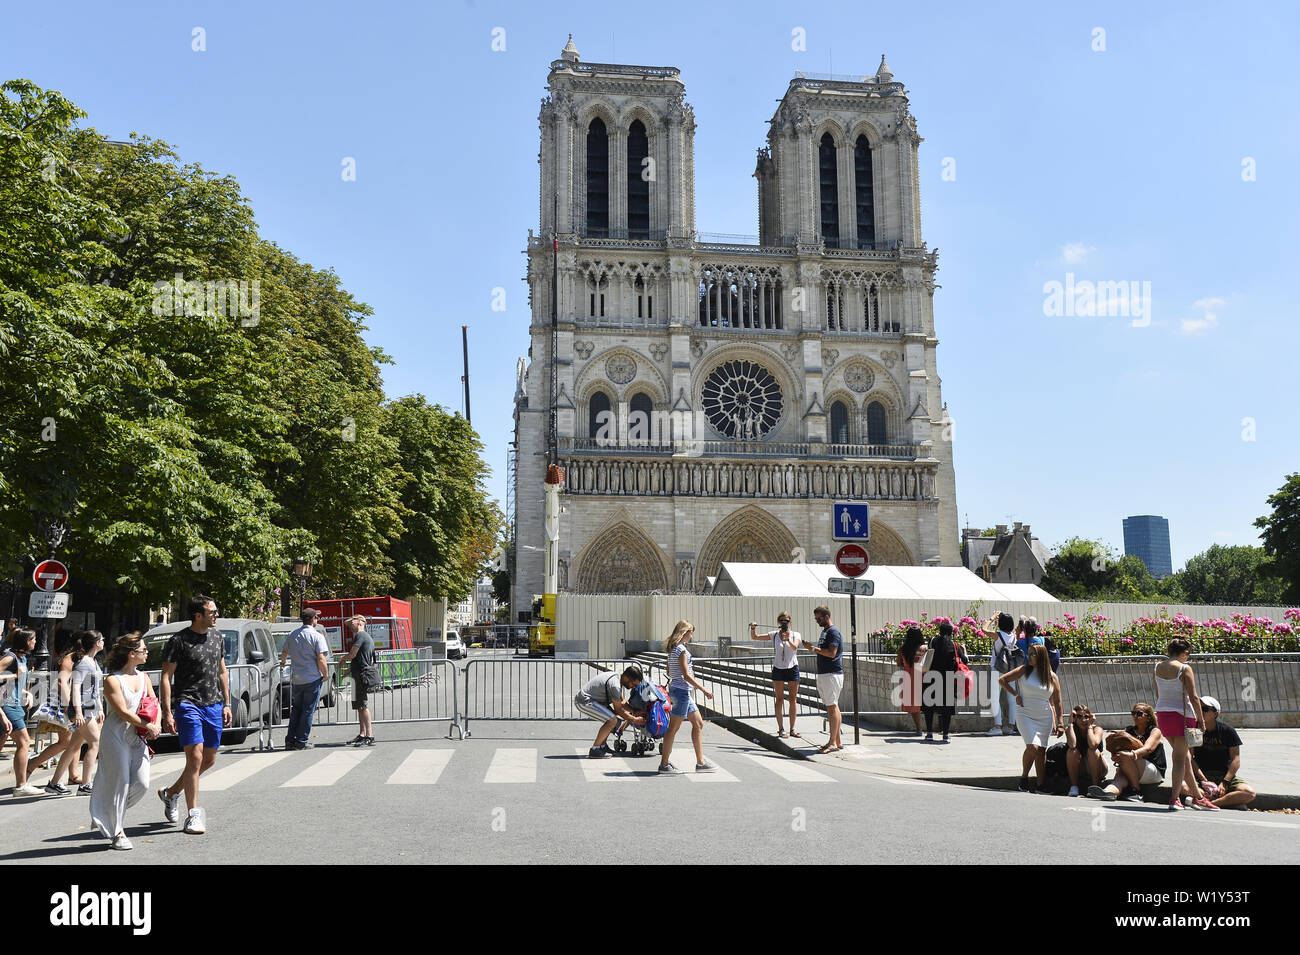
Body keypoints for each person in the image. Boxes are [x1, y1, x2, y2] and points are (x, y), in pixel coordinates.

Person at [158, 595, 232, 835]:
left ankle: (171, 793)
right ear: (198, 615)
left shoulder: (218, 637)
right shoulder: (178, 640)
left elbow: (222, 672)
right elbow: (166, 677)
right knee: (195, 758)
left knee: (209, 759)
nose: (217, 615)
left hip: (213, 704)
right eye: (213, 612)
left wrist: (227, 703)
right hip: (188, 704)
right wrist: (167, 711)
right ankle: (193, 815)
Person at [90, 633, 161, 850]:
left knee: (141, 783)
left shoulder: (144, 677)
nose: (146, 652)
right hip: (116, 735)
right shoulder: (112, 680)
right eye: (143, 649)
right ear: (132, 654)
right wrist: (147, 725)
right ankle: (118, 832)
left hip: (137, 736)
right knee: (121, 781)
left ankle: (106, 809)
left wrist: (155, 723)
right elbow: (121, 711)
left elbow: (153, 701)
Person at [1154, 638, 1218, 811]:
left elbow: (1158, 692)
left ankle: (1198, 797)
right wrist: (1201, 720)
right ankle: (1174, 799)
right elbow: (1194, 697)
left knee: (1186, 758)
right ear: (1184, 652)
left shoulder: (1158, 667)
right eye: (1187, 654)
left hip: (1163, 714)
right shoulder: (1184, 668)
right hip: (1183, 716)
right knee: (1180, 759)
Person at [999, 640, 1063, 791]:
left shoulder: (1052, 676)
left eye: (1033, 654)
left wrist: (1060, 723)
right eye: (1029, 653)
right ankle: (1024, 778)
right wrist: (1016, 694)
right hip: (1025, 713)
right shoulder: (1024, 670)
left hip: (1044, 716)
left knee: (1041, 750)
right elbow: (1002, 680)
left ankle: (1041, 785)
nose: (1030, 656)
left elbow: (1058, 701)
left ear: (1041, 656)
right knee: (1032, 747)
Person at [48, 630, 105, 796]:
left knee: (73, 746)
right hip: (82, 709)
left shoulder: (92, 661)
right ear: (96, 643)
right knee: (95, 742)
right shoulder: (84, 663)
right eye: (102, 640)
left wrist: (99, 708)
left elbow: (94, 689)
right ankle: (86, 784)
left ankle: (54, 783)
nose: (103, 642)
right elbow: (76, 687)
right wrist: (78, 712)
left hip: (89, 708)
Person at [658, 620, 716, 774]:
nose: (692, 635)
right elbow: (686, 675)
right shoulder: (681, 650)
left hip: (680, 691)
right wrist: (704, 689)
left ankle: (700, 762)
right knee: (673, 729)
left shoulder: (673, 649)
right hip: (682, 692)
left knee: (698, 724)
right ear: (684, 632)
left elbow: (670, 672)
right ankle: (664, 765)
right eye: (691, 632)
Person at [29, 630, 83, 785]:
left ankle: (73, 775)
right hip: (63, 704)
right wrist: (67, 705)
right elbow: (61, 682)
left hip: (74, 704)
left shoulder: (80, 658)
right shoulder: (70, 658)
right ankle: (31, 765)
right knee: (65, 742)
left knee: (77, 739)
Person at [1088, 702, 1165, 802]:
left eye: (1139, 714)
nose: (1135, 716)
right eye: (1133, 713)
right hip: (1131, 767)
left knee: (1125, 760)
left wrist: (1130, 755)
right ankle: (1107, 792)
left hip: (1153, 771)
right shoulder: (1129, 730)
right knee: (1120, 778)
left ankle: (1136, 791)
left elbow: (1148, 749)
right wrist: (1115, 756)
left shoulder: (1154, 731)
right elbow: (1116, 748)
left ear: (1148, 717)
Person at [1190, 696, 1256, 809]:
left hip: (1223, 775)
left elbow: (1236, 759)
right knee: (1182, 786)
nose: (1200, 712)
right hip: (1202, 775)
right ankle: (1213, 800)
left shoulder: (1227, 731)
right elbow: (1189, 758)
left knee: (1249, 793)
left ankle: (1212, 803)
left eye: (1205, 709)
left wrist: (1225, 783)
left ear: (1215, 713)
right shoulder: (1194, 730)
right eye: (1198, 708)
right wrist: (1203, 780)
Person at [1, 628, 45, 797]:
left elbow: (18, 682)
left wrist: (26, 694)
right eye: (33, 639)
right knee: (24, 742)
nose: (35, 642)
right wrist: (13, 676)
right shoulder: (10, 657)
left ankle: (22, 784)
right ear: (27, 641)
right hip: (6, 705)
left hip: (15, 704)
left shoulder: (23, 658)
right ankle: (21, 786)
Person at [279, 608, 330, 751]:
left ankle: (290, 740)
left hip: (297, 678)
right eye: (316, 618)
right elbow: (321, 658)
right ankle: (301, 740)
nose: (317, 620)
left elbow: (284, 652)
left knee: (296, 710)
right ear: (313, 619)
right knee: (308, 711)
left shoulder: (293, 634)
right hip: (312, 677)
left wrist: (283, 663)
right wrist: (325, 674)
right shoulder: (316, 636)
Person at [573, 665, 645, 757]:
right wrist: (635, 720)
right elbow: (619, 710)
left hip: (593, 701)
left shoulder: (617, 679)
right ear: (627, 678)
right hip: (583, 701)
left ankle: (602, 746)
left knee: (617, 721)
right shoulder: (615, 685)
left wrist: (635, 711)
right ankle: (595, 749)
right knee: (612, 720)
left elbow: (622, 703)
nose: (633, 687)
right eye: (633, 684)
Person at [801, 606, 843, 753]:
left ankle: (832, 742)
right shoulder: (825, 631)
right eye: (815, 619)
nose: (817, 621)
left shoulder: (833, 632)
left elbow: (832, 653)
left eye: (819, 618)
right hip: (826, 673)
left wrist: (812, 649)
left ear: (826, 617)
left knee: (832, 707)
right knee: (832, 706)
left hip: (831, 673)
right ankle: (837, 740)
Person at [752, 612, 802, 738]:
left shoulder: (796, 634)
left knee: (792, 699)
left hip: (792, 668)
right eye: (781, 620)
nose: (784, 623)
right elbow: (755, 637)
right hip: (778, 668)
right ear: (778, 622)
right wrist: (753, 628)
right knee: (779, 699)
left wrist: (787, 639)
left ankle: (792, 729)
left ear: (790, 621)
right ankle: (781, 729)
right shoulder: (774, 634)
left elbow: (795, 646)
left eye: (786, 620)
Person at [920, 620, 970, 744]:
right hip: (947, 678)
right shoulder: (954, 645)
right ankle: (946, 735)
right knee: (946, 708)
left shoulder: (933, 641)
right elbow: (964, 661)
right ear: (951, 633)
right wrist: (964, 650)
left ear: (940, 631)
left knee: (929, 707)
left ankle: (930, 733)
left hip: (931, 677)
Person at [979, 612, 1018, 736]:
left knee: (995, 698)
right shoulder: (1014, 636)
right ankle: (1011, 726)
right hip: (1011, 670)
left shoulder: (997, 635)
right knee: (1012, 698)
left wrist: (992, 617)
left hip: (998, 669)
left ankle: (998, 726)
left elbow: (983, 629)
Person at [343, 615, 378, 746]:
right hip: (359, 673)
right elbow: (359, 658)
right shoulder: (363, 636)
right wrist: (350, 669)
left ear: (359, 623)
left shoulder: (361, 636)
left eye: (352, 622)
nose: (350, 625)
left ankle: (370, 735)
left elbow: (352, 654)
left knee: (362, 705)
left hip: (361, 675)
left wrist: (342, 660)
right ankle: (363, 734)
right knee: (359, 706)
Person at [1064, 705, 1106, 797]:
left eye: (1086, 717)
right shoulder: (1070, 729)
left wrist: (1089, 726)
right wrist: (1070, 723)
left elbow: (1092, 744)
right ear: (1074, 718)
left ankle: (1095, 787)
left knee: (1092, 751)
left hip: (1098, 765)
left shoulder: (1097, 729)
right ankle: (1074, 787)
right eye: (1079, 717)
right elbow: (1072, 745)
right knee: (1072, 752)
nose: (1083, 720)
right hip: (1081, 765)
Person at [896, 626, 927, 736]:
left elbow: (899, 663)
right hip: (924, 677)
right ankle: (930, 730)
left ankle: (919, 729)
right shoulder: (924, 648)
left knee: (914, 707)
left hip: (909, 679)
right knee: (927, 705)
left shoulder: (903, 649)